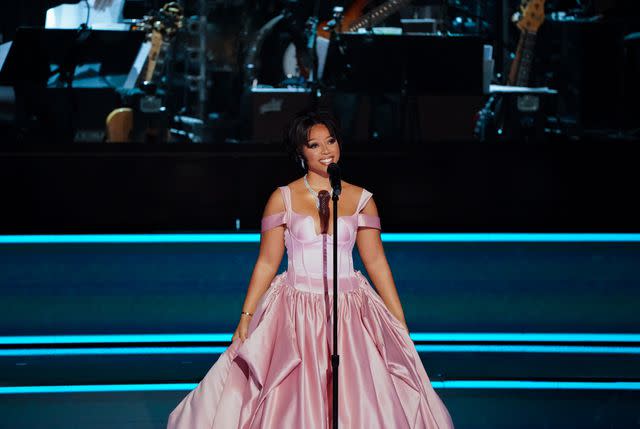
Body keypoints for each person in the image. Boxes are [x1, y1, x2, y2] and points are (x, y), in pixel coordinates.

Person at [167, 110, 454, 428]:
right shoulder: (282, 199)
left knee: (359, 394)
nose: (326, 150)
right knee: (291, 392)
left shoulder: (361, 199)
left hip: (348, 308)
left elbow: (376, 262)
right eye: (314, 145)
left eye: (331, 141)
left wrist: (399, 322)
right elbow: (266, 262)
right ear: (300, 152)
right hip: (295, 309)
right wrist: (246, 317)